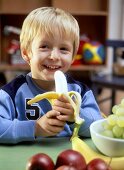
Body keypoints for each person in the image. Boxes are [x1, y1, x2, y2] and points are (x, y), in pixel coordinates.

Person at [0, 7, 102, 144]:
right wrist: (35, 128)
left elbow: (98, 127)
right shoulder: (10, 93)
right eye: (44, 46)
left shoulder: (80, 92)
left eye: (63, 49)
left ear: (73, 56)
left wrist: (75, 116)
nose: (54, 56)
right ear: (26, 53)